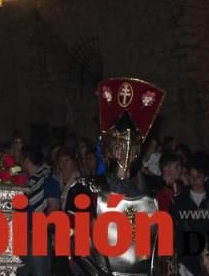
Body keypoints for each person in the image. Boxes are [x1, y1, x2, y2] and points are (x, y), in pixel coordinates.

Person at [66, 77, 167, 276]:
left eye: (132, 143)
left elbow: (164, 247)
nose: (126, 149)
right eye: (120, 144)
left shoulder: (156, 189)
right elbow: (75, 244)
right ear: (109, 146)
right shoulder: (85, 188)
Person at [17, 142, 51, 276]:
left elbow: (53, 208)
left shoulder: (47, 179)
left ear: (26, 160)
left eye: (21, 159)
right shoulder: (24, 183)